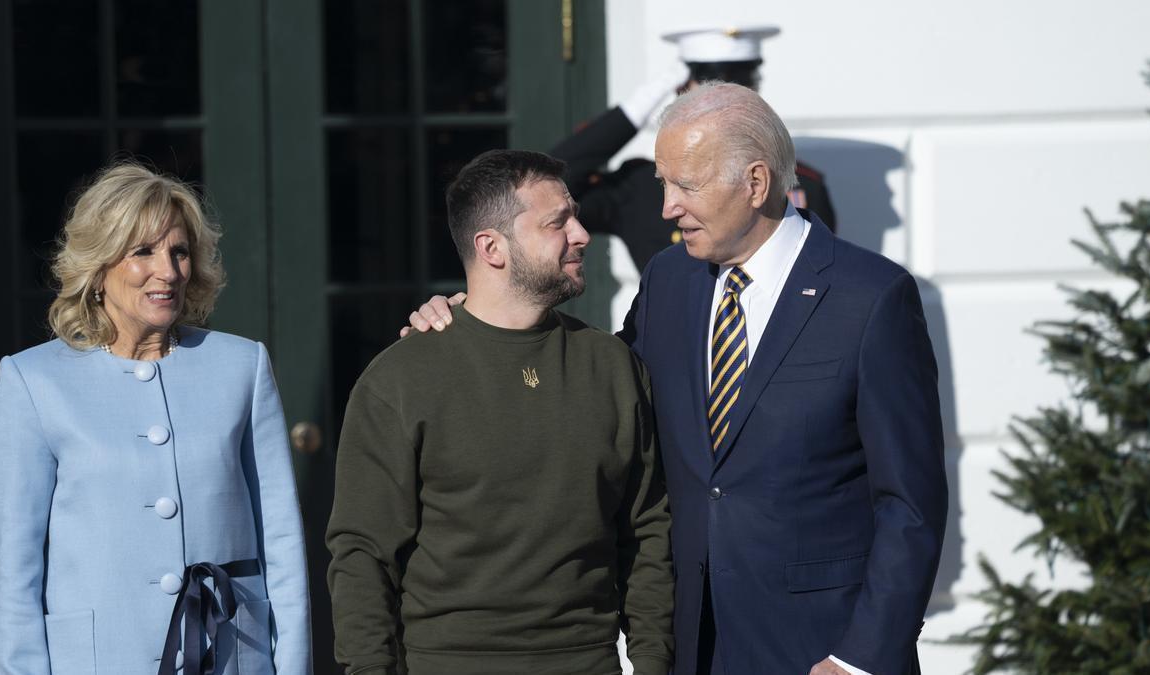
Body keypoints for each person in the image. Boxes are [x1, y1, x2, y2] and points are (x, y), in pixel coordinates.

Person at [406, 84, 947, 675]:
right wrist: (471, 328)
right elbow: (592, 391)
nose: (666, 207)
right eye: (664, 183)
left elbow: (910, 503)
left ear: (756, 184)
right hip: (688, 644)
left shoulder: (872, 297)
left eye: (685, 186)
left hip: (822, 649)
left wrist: (860, 657)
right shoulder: (670, 278)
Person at [325, 150, 673, 675]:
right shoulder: (399, 380)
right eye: (558, 222)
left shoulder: (613, 367)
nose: (581, 233)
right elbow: (361, 555)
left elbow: (648, 530)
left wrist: (650, 663)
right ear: (492, 247)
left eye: (574, 216)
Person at [0, 163, 311, 674]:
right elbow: (15, 568)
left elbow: (281, 540)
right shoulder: (33, 381)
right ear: (99, 266)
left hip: (231, 656)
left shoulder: (242, 366)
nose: (168, 270)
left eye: (179, 251)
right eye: (143, 251)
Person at [551, 25, 836, 275]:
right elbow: (553, 181)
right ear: (683, 91)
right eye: (709, 90)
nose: (728, 104)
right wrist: (637, 109)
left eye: (742, 88)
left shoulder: (800, 184)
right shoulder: (639, 187)